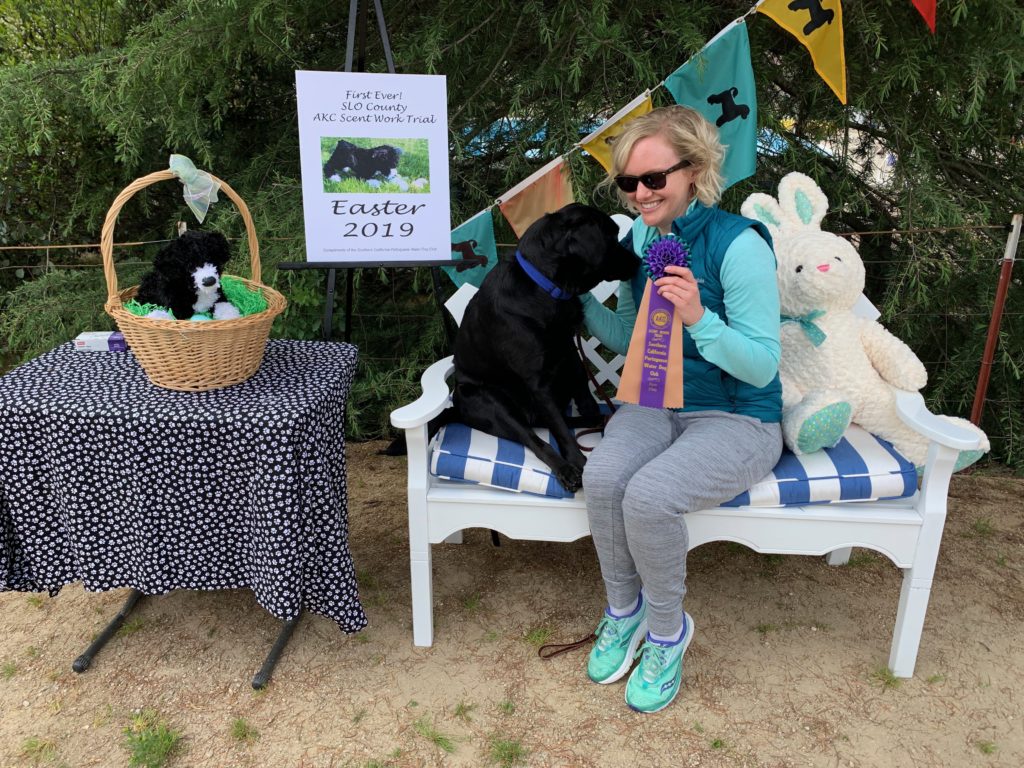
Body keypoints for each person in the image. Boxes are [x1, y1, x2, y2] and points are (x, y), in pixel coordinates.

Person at [579, 105, 783, 713]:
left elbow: (762, 364)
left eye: (654, 180)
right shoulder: (641, 239)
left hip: (738, 417)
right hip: (653, 403)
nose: (640, 194)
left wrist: (700, 317)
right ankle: (625, 611)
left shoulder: (739, 245)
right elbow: (629, 337)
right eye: (627, 183)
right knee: (605, 476)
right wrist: (572, 302)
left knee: (649, 494)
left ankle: (668, 634)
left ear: (694, 170)